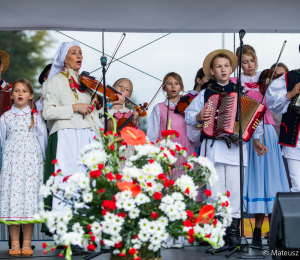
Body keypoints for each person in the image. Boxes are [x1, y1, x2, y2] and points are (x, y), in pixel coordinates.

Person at [185, 49, 267, 251]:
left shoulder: (241, 92)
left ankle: (233, 237)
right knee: (216, 192)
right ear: (212, 71)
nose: (223, 69)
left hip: (237, 149)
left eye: (226, 66)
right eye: (219, 66)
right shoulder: (205, 93)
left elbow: (253, 119)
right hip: (213, 148)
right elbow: (188, 116)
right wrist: (199, 116)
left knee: (235, 193)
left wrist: (256, 141)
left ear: (232, 68)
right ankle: (220, 237)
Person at [232, 45, 290, 248]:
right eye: (244, 62)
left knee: (270, 181)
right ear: (238, 64)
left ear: (256, 60)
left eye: (252, 61)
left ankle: (271, 230)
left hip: (267, 131)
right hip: (247, 135)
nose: (249, 65)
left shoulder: (266, 80)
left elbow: (275, 103)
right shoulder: (235, 82)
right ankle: (251, 231)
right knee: (255, 182)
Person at [40, 41, 104, 216]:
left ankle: (83, 228)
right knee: (66, 179)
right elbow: (47, 112)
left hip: (87, 136)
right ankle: (64, 229)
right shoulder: (54, 82)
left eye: (81, 53)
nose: (79, 56)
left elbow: (96, 115)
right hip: (65, 135)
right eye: (74, 53)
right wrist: (75, 108)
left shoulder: (89, 85)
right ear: (64, 59)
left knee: (85, 179)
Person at [147, 72, 196, 249]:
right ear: (164, 88)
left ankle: (179, 236)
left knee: (182, 195)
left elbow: (194, 131)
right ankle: (166, 235)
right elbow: (152, 134)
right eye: (169, 84)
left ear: (181, 86)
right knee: (166, 196)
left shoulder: (189, 106)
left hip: (185, 153)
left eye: (176, 83)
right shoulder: (158, 108)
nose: (173, 86)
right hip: (166, 155)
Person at [0, 78, 47, 256]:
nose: (20, 93)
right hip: (12, 165)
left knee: (29, 202)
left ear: (31, 96)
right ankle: (14, 243)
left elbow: (43, 141)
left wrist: (41, 163)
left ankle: (27, 243)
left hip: (32, 166)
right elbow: (3, 142)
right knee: (14, 200)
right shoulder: (5, 117)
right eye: (17, 91)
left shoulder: (36, 117)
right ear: (11, 95)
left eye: (24, 91)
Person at [266, 67, 300, 194]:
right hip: (294, 141)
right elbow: (271, 100)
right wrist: (290, 94)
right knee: (297, 186)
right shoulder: (290, 76)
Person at [103, 78, 139, 167]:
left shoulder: (130, 113)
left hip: (126, 150)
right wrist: (111, 103)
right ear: (113, 88)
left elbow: (134, 135)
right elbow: (100, 120)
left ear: (128, 96)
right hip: (109, 146)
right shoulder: (106, 108)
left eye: (126, 89)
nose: (122, 89)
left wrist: (134, 121)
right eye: (120, 86)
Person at [268, 63, 289, 137]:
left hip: (287, 135)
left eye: (282, 75)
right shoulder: (267, 95)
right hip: (271, 136)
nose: (279, 78)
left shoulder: (292, 93)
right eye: (275, 75)